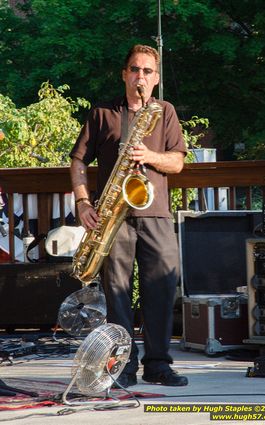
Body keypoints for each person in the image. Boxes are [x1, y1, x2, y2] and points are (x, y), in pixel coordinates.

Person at [70, 44, 188, 387]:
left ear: (156, 78)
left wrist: (149, 155)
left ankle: (158, 365)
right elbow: (79, 161)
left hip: (155, 214)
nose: (141, 77)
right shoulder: (102, 112)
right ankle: (123, 366)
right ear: (125, 74)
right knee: (117, 294)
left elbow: (177, 162)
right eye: (135, 70)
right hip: (114, 218)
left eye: (148, 72)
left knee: (162, 290)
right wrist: (82, 202)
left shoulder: (164, 111)